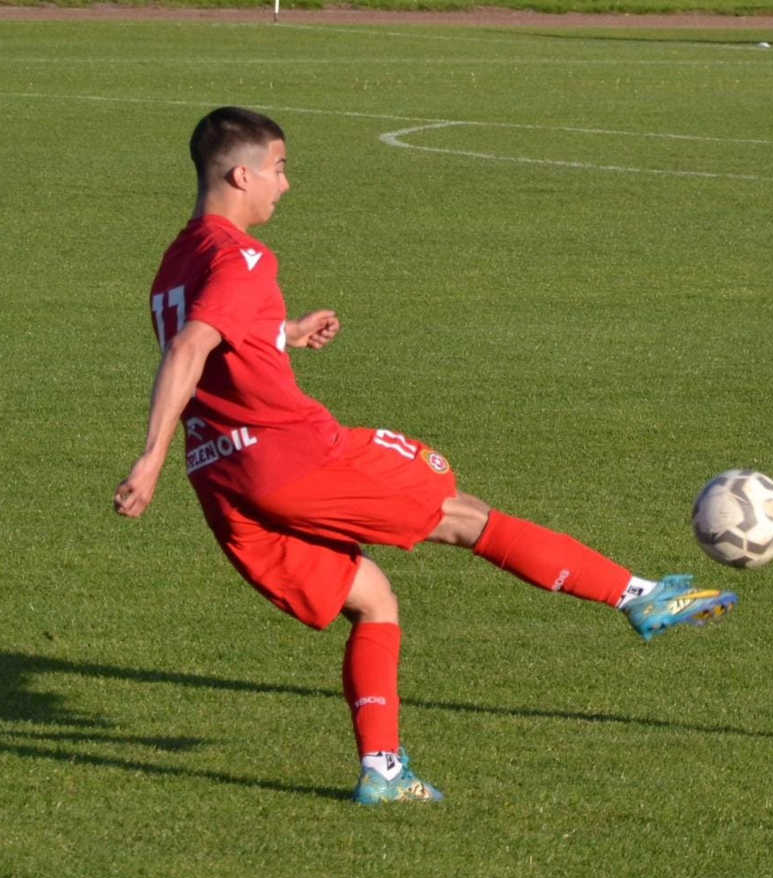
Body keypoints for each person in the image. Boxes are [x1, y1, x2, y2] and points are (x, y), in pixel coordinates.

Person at [114, 107, 738, 804]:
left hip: (224, 482)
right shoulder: (245, 255)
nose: (285, 185)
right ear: (241, 173)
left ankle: (383, 773)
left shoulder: (176, 258)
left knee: (374, 600)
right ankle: (642, 597)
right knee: (457, 508)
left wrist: (282, 332)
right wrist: (147, 457)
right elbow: (191, 348)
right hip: (290, 456)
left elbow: (220, 341)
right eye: (280, 168)